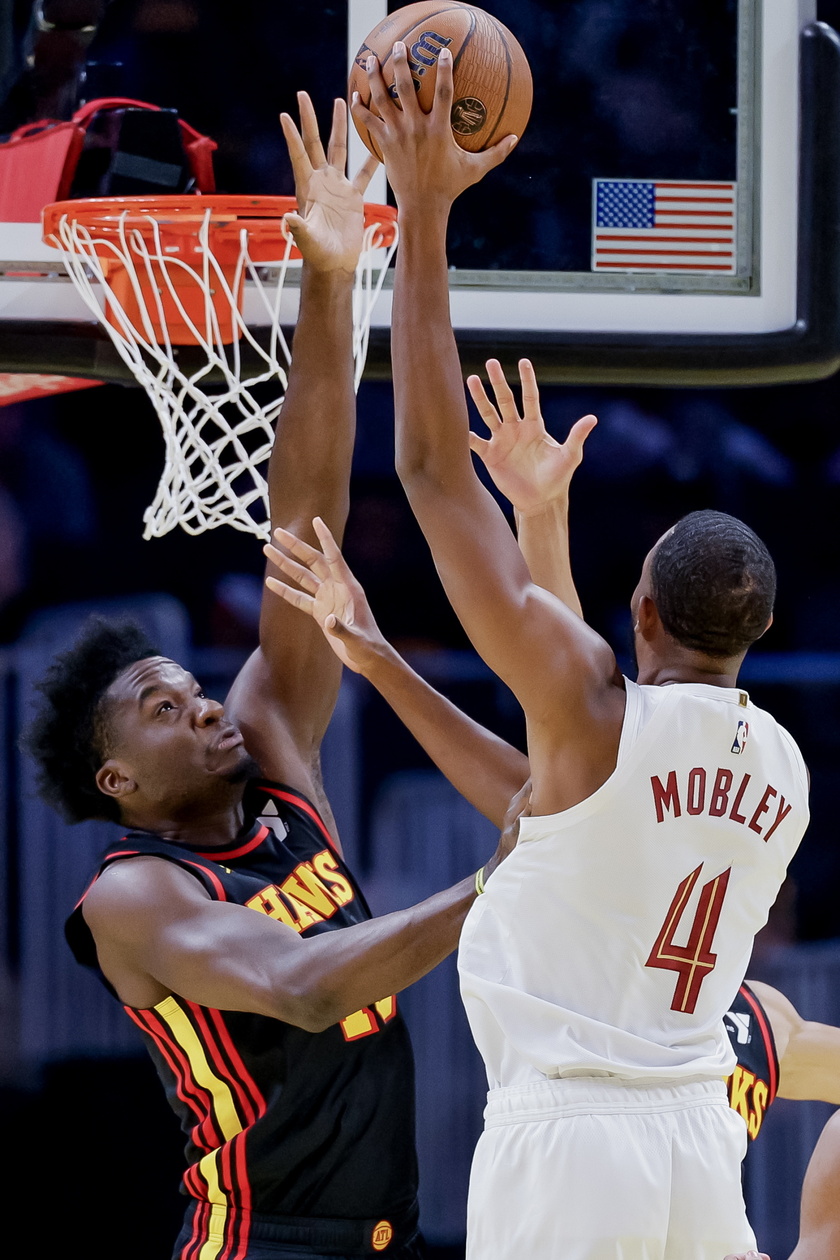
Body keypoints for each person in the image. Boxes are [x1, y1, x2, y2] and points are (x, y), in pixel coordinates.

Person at [21, 96, 520, 1260]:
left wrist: (332, 276)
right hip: (261, 1242)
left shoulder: (270, 749)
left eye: (186, 683)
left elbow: (308, 533)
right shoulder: (131, 894)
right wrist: (503, 876)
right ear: (120, 780)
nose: (200, 700)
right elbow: (300, 986)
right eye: (161, 707)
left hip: (378, 1231)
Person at [344, 43, 809, 1259]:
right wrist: (540, 524)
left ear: (639, 614)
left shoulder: (600, 711)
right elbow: (556, 798)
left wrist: (424, 208)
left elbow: (433, 475)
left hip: (571, 1144)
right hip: (699, 1140)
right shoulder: (783, 769)